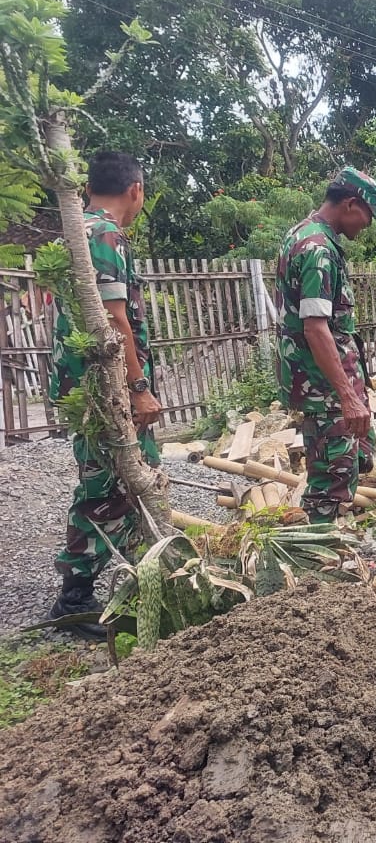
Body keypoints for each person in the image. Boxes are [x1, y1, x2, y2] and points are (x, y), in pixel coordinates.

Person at [47, 152, 162, 639]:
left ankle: (139, 574)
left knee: (127, 477)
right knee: (106, 486)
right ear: (135, 190)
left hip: (87, 385)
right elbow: (115, 321)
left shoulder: (77, 232)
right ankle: (73, 598)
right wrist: (137, 388)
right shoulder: (105, 236)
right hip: (105, 391)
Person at [276, 167, 376, 526]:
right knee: (332, 476)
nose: (368, 225)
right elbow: (316, 328)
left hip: (328, 379)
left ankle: (327, 529)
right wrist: (347, 395)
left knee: (358, 455)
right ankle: (316, 557)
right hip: (323, 384)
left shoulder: (305, 235)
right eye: (368, 215)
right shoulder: (317, 249)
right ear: (351, 204)